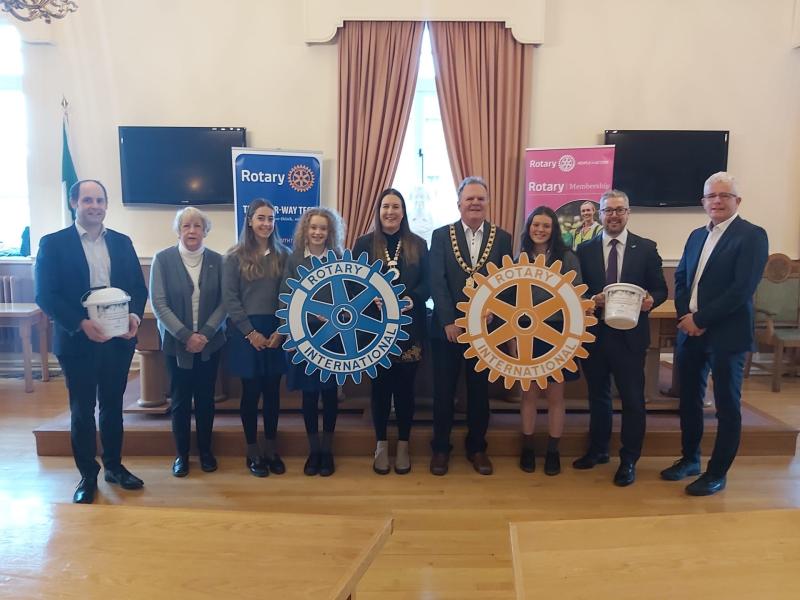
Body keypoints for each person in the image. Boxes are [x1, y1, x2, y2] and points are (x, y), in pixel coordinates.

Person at [35, 179, 147, 504]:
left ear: (106, 205)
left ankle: (114, 466)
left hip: (117, 341)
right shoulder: (53, 244)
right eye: (87, 200)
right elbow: (46, 295)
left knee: (113, 407)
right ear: (75, 203)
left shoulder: (123, 243)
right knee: (82, 410)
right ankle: (88, 475)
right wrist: (81, 324)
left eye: (99, 200)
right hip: (78, 341)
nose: (94, 206)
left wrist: (135, 317)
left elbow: (138, 290)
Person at [661, 172, 768, 496]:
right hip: (691, 332)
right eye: (711, 196)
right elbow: (681, 278)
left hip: (727, 335)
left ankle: (717, 472)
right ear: (703, 201)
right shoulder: (696, 236)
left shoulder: (752, 236)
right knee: (689, 400)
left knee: (726, 405)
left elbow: (741, 289)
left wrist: (702, 318)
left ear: (737, 200)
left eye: (724, 195)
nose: (717, 201)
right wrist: (685, 316)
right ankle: (690, 459)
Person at [574, 189, 667, 486]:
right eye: (608, 210)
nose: (613, 215)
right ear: (599, 215)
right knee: (598, 397)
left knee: (632, 400)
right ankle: (598, 450)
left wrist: (653, 300)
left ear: (628, 213)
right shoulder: (585, 250)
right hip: (596, 335)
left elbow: (661, 289)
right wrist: (591, 299)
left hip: (630, 338)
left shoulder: (646, 248)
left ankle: (629, 460)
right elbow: (575, 291)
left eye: (619, 210)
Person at [428, 176, 513, 476]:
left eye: (481, 198)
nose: (475, 203)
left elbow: (505, 281)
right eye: (470, 198)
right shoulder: (441, 235)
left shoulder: (502, 237)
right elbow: (436, 281)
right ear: (459, 203)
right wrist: (449, 321)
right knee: (443, 392)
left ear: (488, 203)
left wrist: (494, 311)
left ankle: (477, 447)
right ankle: (440, 448)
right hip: (447, 332)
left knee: (479, 393)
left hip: (484, 332)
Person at [352, 188, 430, 475]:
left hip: (410, 328)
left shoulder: (418, 244)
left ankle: (405, 446)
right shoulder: (363, 244)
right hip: (374, 329)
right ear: (378, 210)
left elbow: (428, 282)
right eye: (385, 206)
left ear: (403, 211)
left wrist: (412, 298)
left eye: (395, 206)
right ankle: (381, 445)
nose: (390, 212)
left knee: (406, 391)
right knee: (381, 390)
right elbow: (353, 283)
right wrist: (367, 297)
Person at [150, 207, 226, 477]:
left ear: (205, 231)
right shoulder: (163, 259)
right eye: (186, 226)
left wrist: (204, 334)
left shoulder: (219, 260)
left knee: (206, 399)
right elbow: (159, 303)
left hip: (210, 343)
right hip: (175, 344)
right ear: (178, 230)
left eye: (197, 226)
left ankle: (206, 452)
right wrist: (186, 336)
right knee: (181, 400)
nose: (192, 231)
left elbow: (224, 302)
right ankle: (182, 455)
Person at [515, 206, 584, 476]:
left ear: (554, 230)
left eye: (546, 226)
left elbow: (577, 296)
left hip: (558, 334)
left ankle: (553, 451)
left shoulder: (568, 258)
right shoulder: (518, 257)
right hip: (525, 334)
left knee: (556, 395)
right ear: (529, 227)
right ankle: (528, 448)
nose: (540, 230)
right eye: (536, 225)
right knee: (528, 394)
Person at [222, 199, 289, 478]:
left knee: (273, 393)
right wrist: (251, 333)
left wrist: (280, 330)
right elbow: (230, 298)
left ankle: (271, 449)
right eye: (261, 218)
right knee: (251, 394)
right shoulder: (233, 256)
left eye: (271, 219)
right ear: (249, 220)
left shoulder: (284, 254)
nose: (266, 224)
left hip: (275, 331)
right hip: (245, 332)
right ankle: (252, 451)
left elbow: (289, 294)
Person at [282, 207, 346, 477]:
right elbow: (285, 295)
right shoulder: (293, 259)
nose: (318, 232)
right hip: (304, 336)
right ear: (305, 230)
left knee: (330, 395)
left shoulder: (340, 258)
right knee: (309, 396)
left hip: (332, 337)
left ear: (330, 232)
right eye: (314, 227)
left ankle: (327, 451)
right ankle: (313, 450)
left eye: (323, 228)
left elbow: (347, 296)